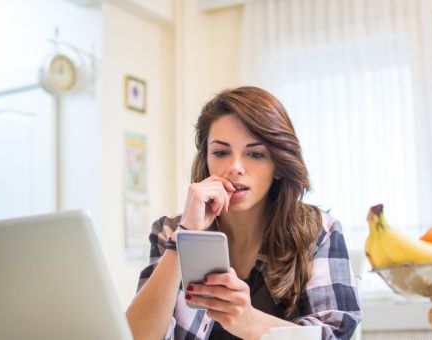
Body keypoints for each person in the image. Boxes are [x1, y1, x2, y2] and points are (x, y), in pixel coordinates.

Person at [126, 86, 362, 340]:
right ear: (206, 160)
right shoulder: (171, 231)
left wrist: (247, 321)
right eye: (220, 152)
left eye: (255, 154)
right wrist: (184, 236)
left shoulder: (319, 232)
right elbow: (137, 336)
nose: (235, 167)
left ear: (279, 165)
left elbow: (334, 335)